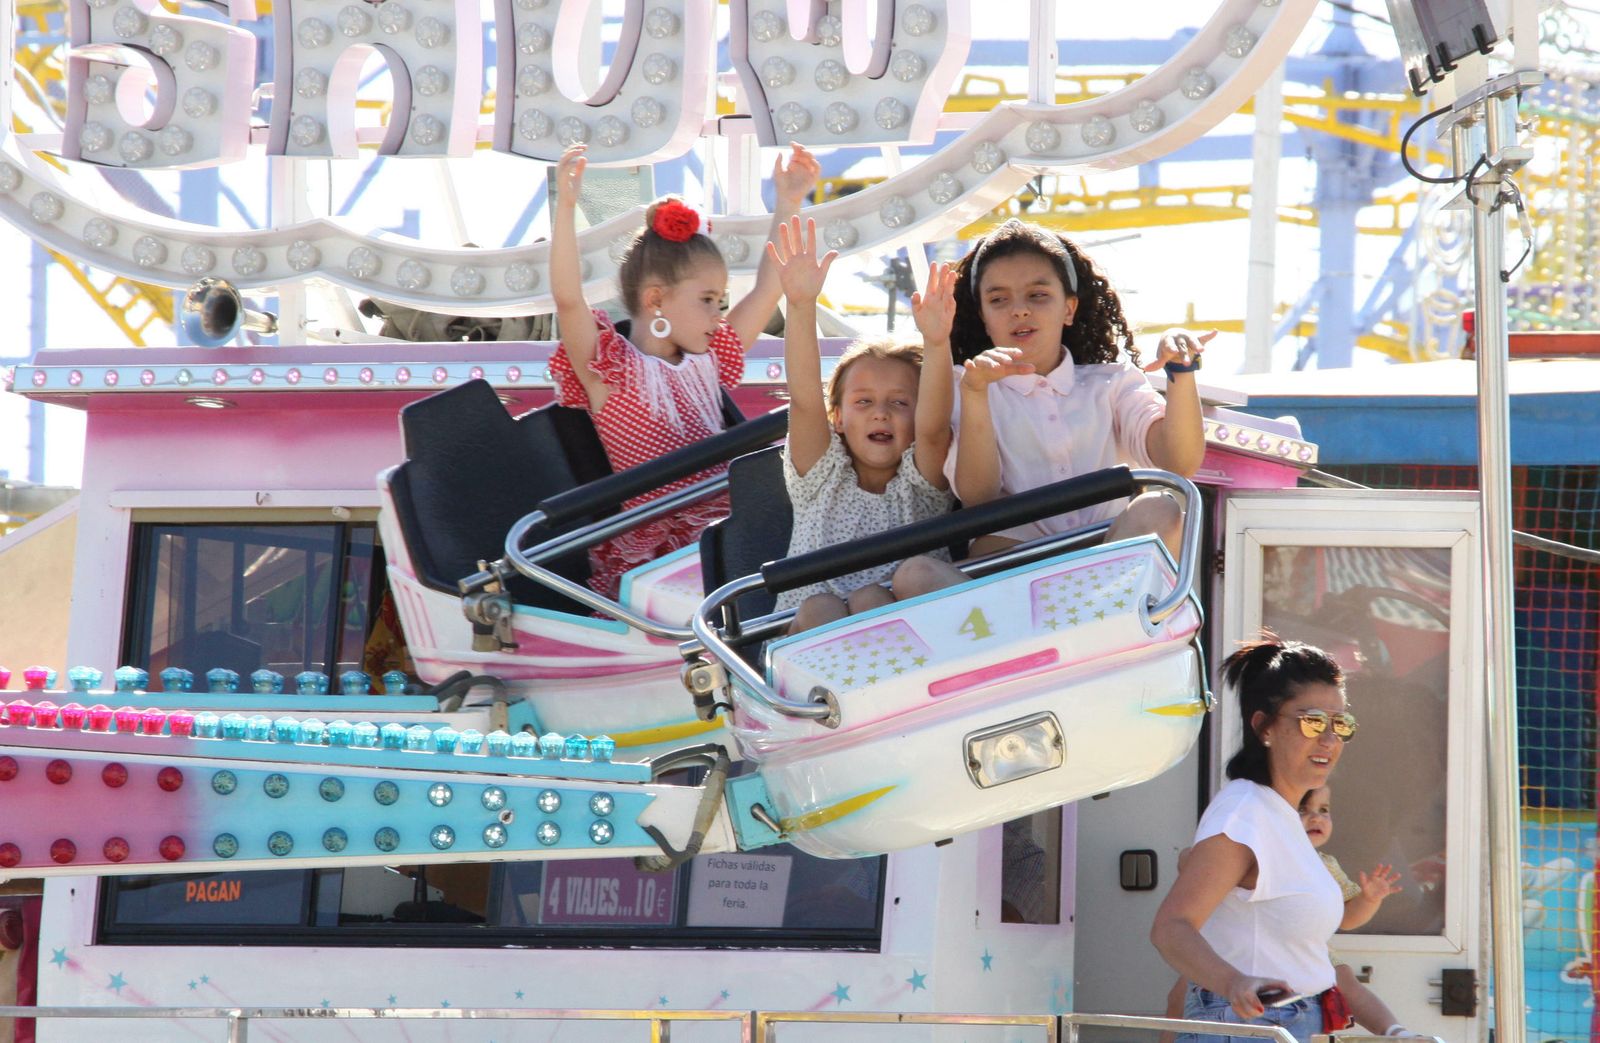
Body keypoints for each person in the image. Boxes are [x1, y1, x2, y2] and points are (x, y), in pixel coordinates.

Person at [547, 142, 820, 598]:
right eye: (708, 300)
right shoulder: (610, 368)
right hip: (660, 548)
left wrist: (788, 200)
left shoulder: (707, 359)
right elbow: (569, 299)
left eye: (721, 302)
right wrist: (567, 209)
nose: (719, 315)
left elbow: (768, 289)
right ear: (656, 300)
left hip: (727, 527)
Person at [945, 217, 1209, 559]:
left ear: (1069, 309)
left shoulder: (1113, 381)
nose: (1020, 310)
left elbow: (1179, 462)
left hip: (1109, 554)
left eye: (1038, 295)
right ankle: (1088, 603)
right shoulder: (966, 383)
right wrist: (976, 393)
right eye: (999, 300)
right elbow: (977, 497)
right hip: (1019, 564)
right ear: (982, 315)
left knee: (1160, 508)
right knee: (981, 547)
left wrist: (1182, 369)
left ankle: (1096, 599)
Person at [1149, 636, 1357, 1043]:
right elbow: (1171, 927)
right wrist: (1233, 982)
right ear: (1263, 726)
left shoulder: (1279, 816)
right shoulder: (1244, 813)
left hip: (1284, 1026)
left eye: (1341, 724)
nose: (1329, 739)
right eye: (1312, 721)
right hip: (1246, 1028)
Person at [765, 216, 967, 633]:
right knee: (821, 606)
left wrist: (936, 342)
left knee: (871, 598)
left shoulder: (920, 485)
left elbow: (932, 430)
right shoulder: (821, 474)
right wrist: (800, 306)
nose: (881, 413)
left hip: (907, 633)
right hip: (810, 634)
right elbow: (804, 401)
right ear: (837, 418)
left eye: (899, 403)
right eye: (864, 402)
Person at [1159, 784, 1419, 1042]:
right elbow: (1191, 861)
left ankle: (1395, 1032)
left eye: (1324, 810)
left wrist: (1369, 899)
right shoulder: (1249, 848)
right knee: (1181, 994)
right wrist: (1195, 858)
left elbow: (1348, 918)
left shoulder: (1325, 865)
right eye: (1302, 809)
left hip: (1307, 947)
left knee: (1346, 982)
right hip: (1235, 954)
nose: (1316, 817)